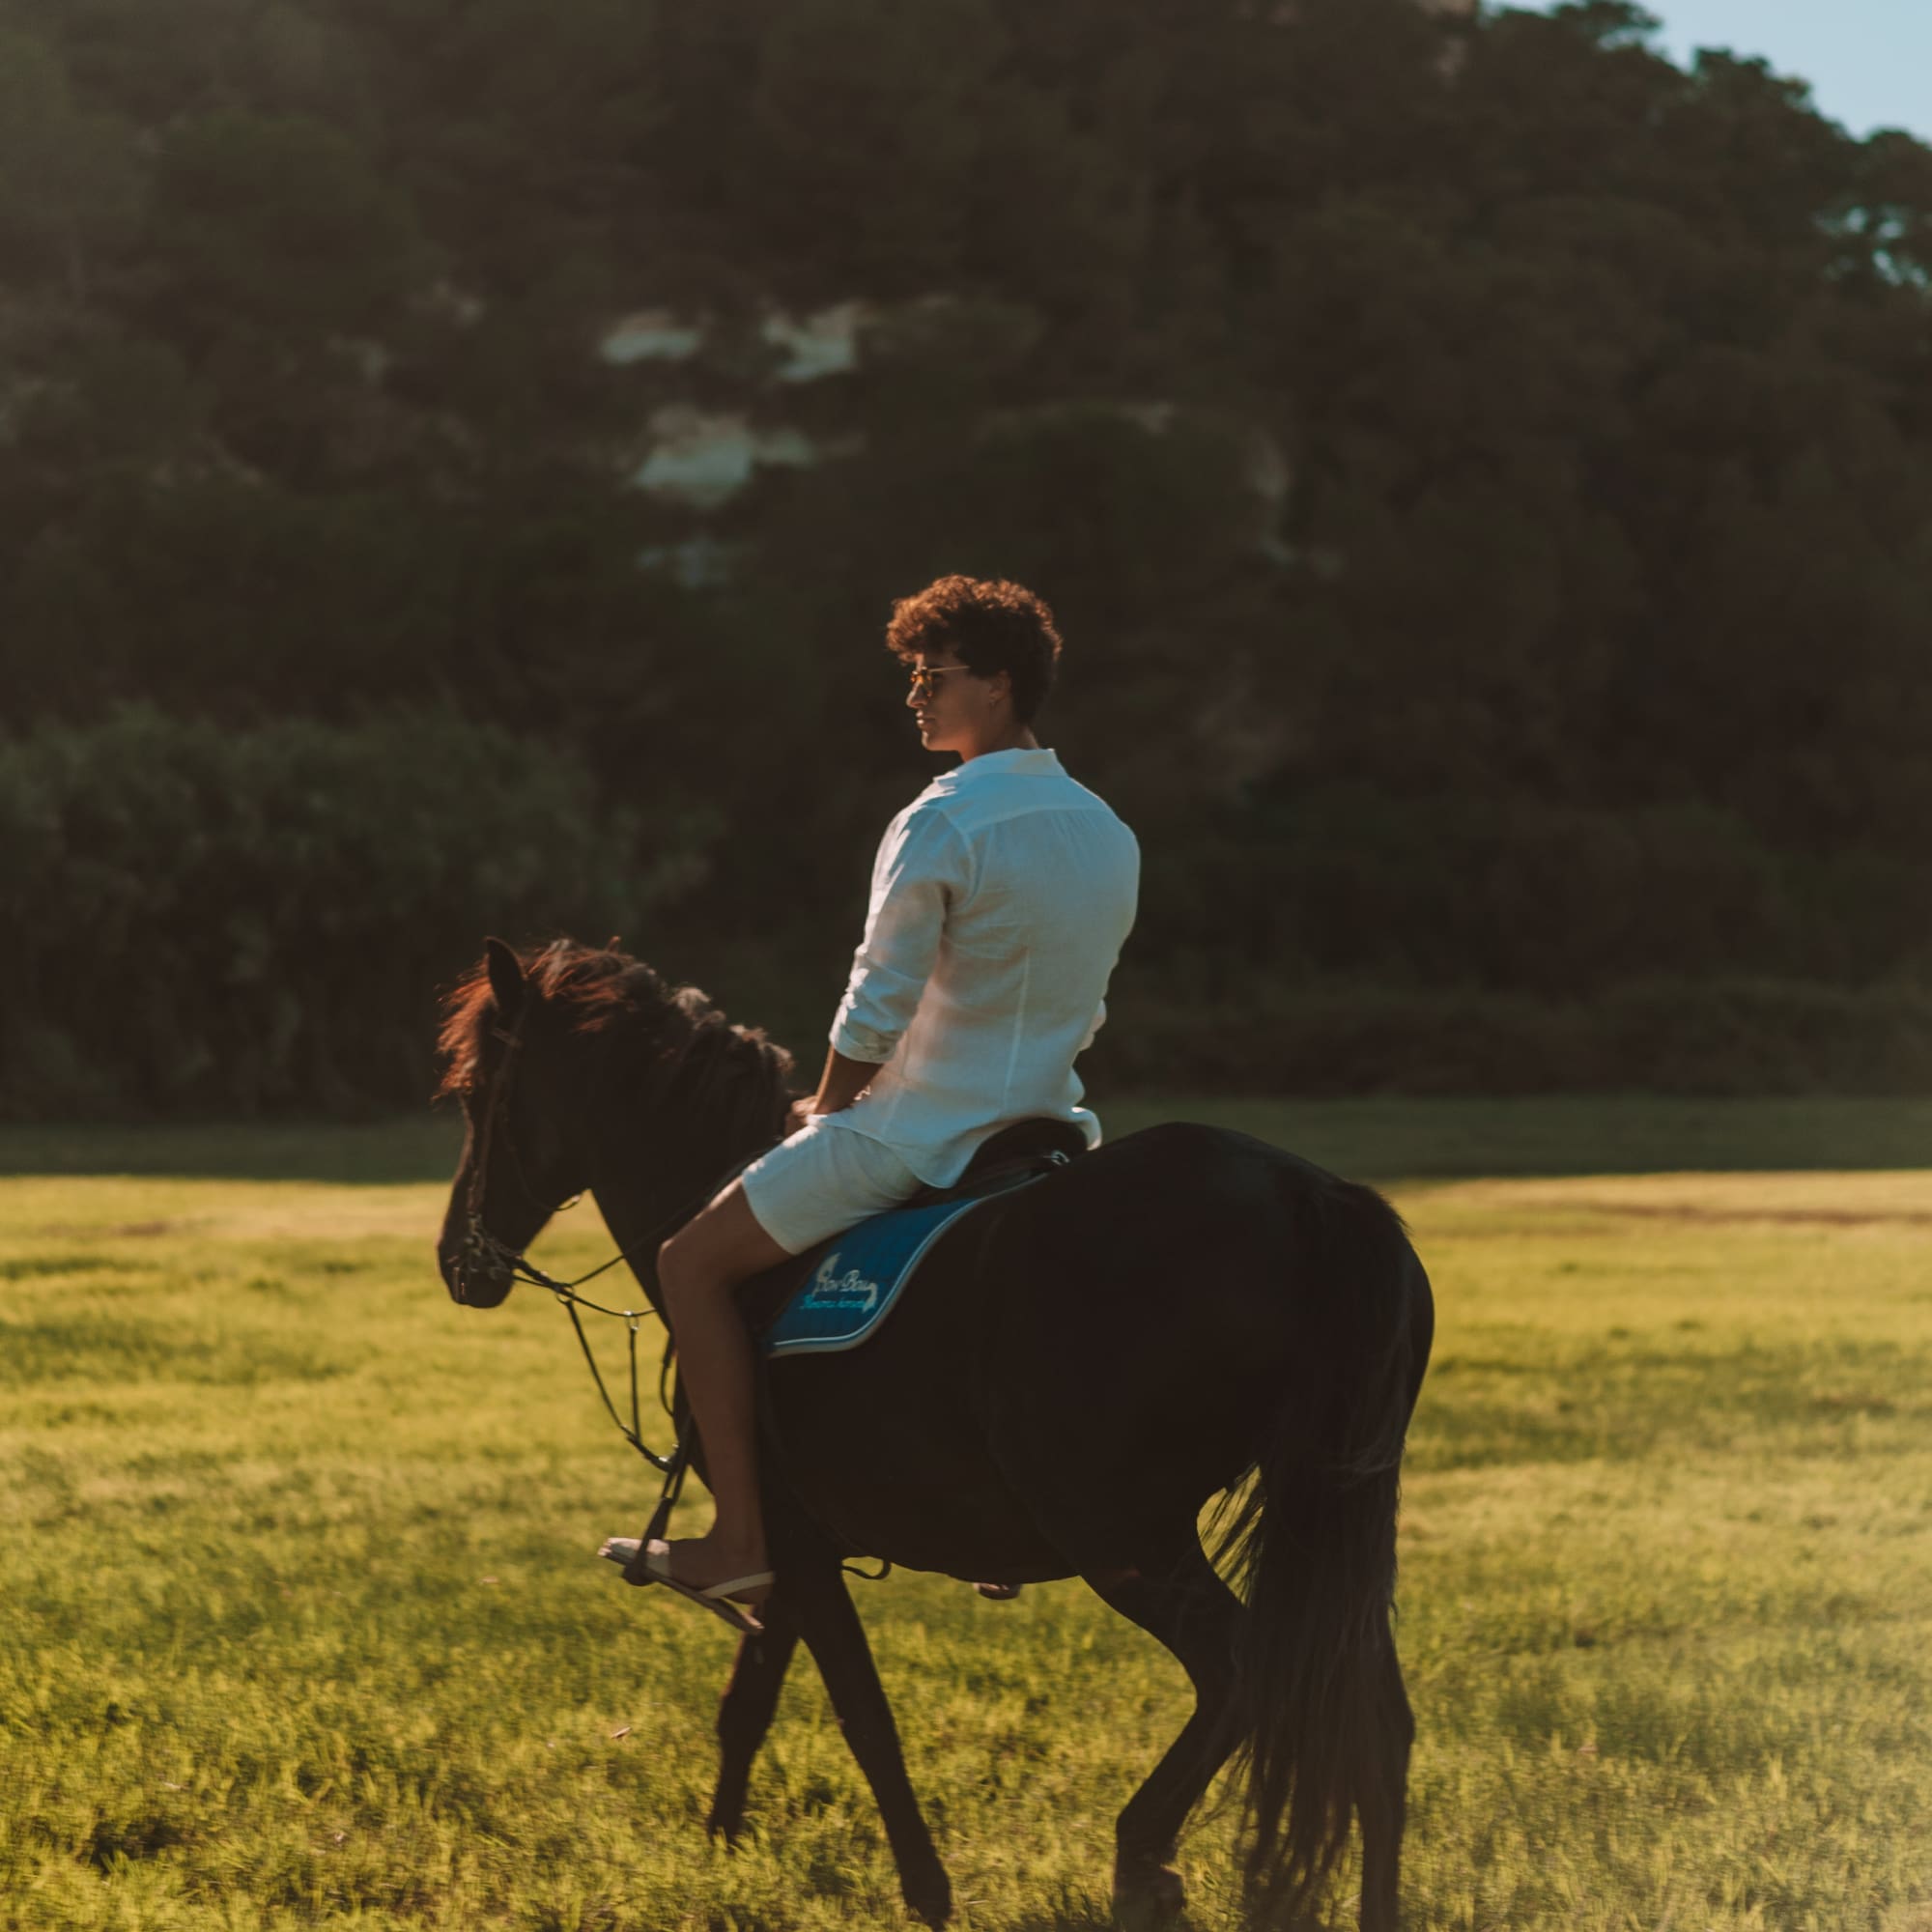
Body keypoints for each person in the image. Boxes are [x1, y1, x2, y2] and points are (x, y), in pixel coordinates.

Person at [609, 575, 1140, 1631]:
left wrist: (826, 1103)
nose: (912, 696)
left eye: (929, 676)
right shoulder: (1104, 828)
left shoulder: (940, 818)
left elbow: (876, 996)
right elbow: (1085, 1010)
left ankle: (738, 1542)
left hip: (917, 1135)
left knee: (688, 1263)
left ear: (994, 683)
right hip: (1046, 1130)